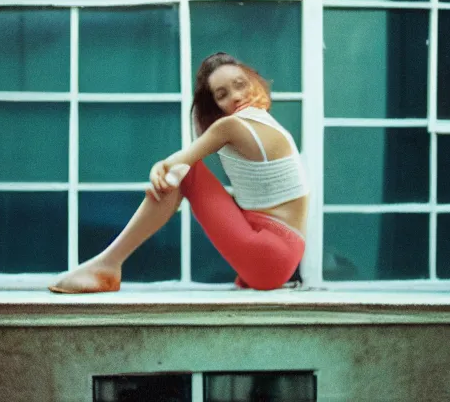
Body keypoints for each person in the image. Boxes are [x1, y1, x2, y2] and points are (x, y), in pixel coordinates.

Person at [48, 52, 310, 293]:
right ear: (215, 105)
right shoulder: (269, 125)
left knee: (187, 174)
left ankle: (108, 264)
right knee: (183, 173)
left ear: (253, 80)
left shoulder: (231, 125)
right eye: (222, 95)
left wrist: (159, 170)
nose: (236, 97)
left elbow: (177, 166)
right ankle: (104, 265)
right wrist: (165, 170)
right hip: (280, 256)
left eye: (240, 84)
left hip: (268, 256)